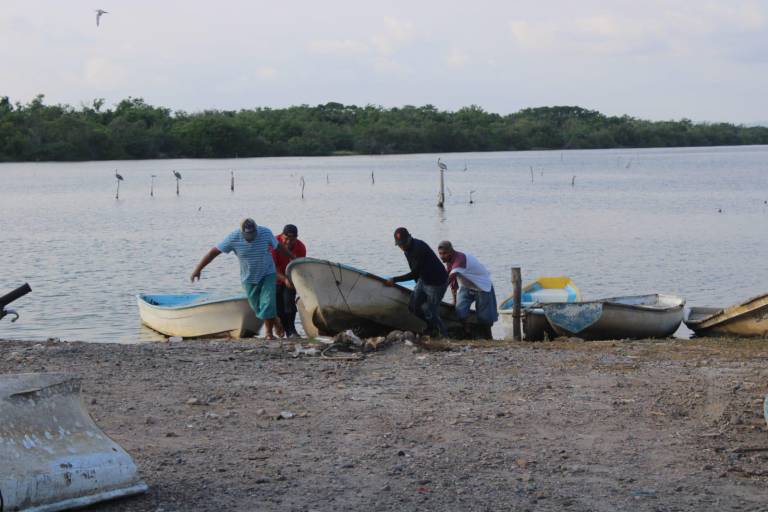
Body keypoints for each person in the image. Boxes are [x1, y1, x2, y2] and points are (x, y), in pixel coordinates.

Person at [191, 218, 292, 340]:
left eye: (253, 234)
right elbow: (213, 252)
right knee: (257, 308)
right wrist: (198, 269)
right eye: (247, 235)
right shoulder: (233, 237)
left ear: (256, 230)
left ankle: (269, 333)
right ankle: (274, 319)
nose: (251, 237)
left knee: (268, 302)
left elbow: (279, 247)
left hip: (268, 273)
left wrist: (292, 257)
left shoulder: (265, 233)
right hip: (248, 278)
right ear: (242, 232)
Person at [385, 227, 449, 337]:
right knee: (413, 307)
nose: (402, 247)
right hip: (423, 280)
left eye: (404, 243)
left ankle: (444, 335)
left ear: (409, 237)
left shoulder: (419, 248)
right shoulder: (406, 250)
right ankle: (431, 327)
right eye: (400, 245)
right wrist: (418, 288)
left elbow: (414, 273)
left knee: (431, 312)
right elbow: (414, 270)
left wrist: (394, 280)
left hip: (437, 283)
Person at [437, 240, 498, 336]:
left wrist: (436, 295)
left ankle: (487, 336)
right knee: (460, 311)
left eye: (444, 253)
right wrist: (454, 300)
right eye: (440, 254)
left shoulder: (459, 260)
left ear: (451, 251)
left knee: (484, 318)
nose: (442, 256)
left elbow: (449, 279)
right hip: (467, 286)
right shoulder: (449, 261)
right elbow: (453, 283)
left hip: (482, 286)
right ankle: (467, 331)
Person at [271, 224, 306, 338]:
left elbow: (299, 268)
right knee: (278, 306)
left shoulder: (300, 247)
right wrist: (284, 279)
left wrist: (293, 281)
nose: (288, 242)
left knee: (289, 303)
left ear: (296, 238)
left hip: (290, 277)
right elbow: (271, 268)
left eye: (292, 240)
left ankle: (291, 330)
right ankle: (279, 325)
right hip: (273, 277)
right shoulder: (274, 243)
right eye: (286, 239)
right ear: (281, 236)